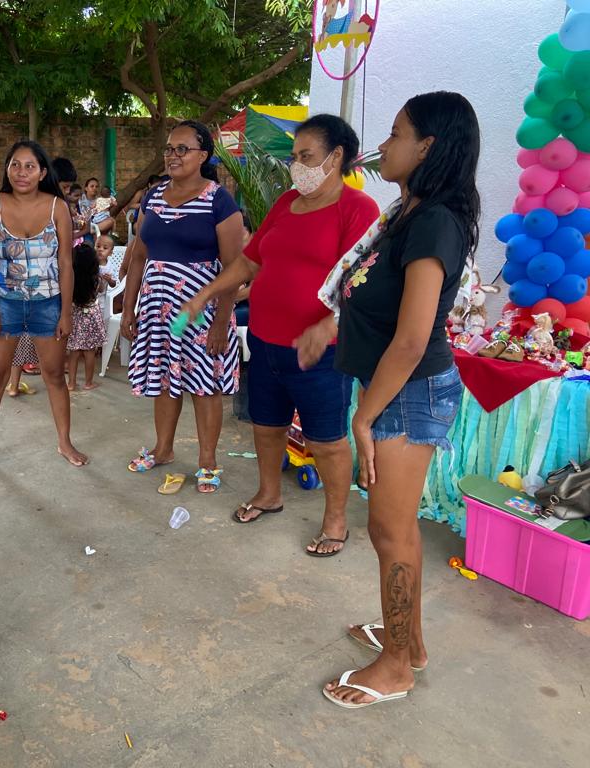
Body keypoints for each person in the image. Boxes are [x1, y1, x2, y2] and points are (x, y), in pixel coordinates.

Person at [319, 92, 478, 708]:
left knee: (388, 529)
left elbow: (413, 339)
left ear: (428, 147)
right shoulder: (407, 212)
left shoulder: (434, 220)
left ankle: (396, 667)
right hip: (392, 387)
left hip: (409, 393)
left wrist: (363, 414)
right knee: (395, 527)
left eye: (395, 133)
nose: (382, 145)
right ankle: (407, 639)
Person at [183, 115, 379, 556]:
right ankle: (269, 493)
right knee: (266, 427)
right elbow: (250, 263)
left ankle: (335, 521)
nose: (297, 165)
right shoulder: (286, 202)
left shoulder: (358, 210)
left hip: (320, 351)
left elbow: (363, 283)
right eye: (294, 157)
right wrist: (206, 294)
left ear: (336, 157)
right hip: (267, 340)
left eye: (306, 156)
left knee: (324, 440)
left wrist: (329, 324)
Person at [121, 120, 242, 494]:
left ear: (203, 155)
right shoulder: (153, 197)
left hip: (202, 312)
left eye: (182, 149)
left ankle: (208, 461)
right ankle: (163, 448)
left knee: (205, 387)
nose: (173, 156)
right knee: (162, 381)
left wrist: (221, 322)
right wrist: (129, 308)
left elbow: (235, 266)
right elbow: (139, 255)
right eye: (169, 149)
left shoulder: (218, 200)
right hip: (158, 309)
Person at [0, 140, 88, 473]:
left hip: (48, 306)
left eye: (30, 166)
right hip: (5, 305)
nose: (22, 172)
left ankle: (64, 442)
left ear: (42, 172)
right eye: (15, 165)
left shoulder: (57, 208)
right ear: (7, 169)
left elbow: (65, 262)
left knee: (54, 377)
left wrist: (65, 313)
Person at [67, 243, 107, 391]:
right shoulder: (96, 278)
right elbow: (101, 290)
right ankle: (88, 383)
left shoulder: (71, 278)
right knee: (90, 351)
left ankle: (71, 383)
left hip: (75, 314)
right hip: (91, 315)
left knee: (74, 351)